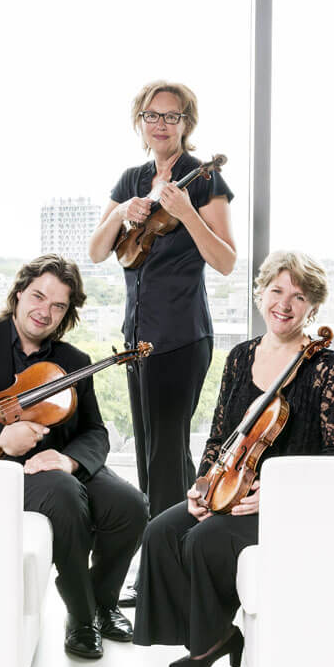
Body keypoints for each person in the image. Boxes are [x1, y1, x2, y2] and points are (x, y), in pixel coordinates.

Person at [0, 254, 147, 660]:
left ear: (67, 313)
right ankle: (81, 615)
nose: (45, 311)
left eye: (58, 305)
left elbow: (95, 431)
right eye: (38, 296)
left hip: (50, 464)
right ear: (19, 293)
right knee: (63, 493)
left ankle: (102, 600)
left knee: (131, 505)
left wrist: (69, 460)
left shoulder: (73, 362)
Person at [134, 251, 334, 667]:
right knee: (160, 532)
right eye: (276, 290)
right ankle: (215, 634)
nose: (284, 304)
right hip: (229, 486)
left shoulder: (325, 365)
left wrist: (277, 491)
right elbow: (220, 436)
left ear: (312, 307)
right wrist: (203, 486)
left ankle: (208, 642)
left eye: (299, 296)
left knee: (204, 540)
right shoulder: (240, 357)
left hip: (286, 500)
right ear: (261, 294)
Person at [88, 81, 236, 605]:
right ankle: (183, 561)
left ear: (186, 123)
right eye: (152, 115)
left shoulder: (206, 178)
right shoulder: (131, 179)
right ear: (141, 121)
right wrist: (119, 214)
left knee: (165, 455)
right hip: (137, 339)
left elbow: (225, 261)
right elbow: (97, 252)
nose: (161, 124)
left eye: (172, 116)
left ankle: (162, 578)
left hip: (181, 336)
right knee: (156, 457)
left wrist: (187, 211)